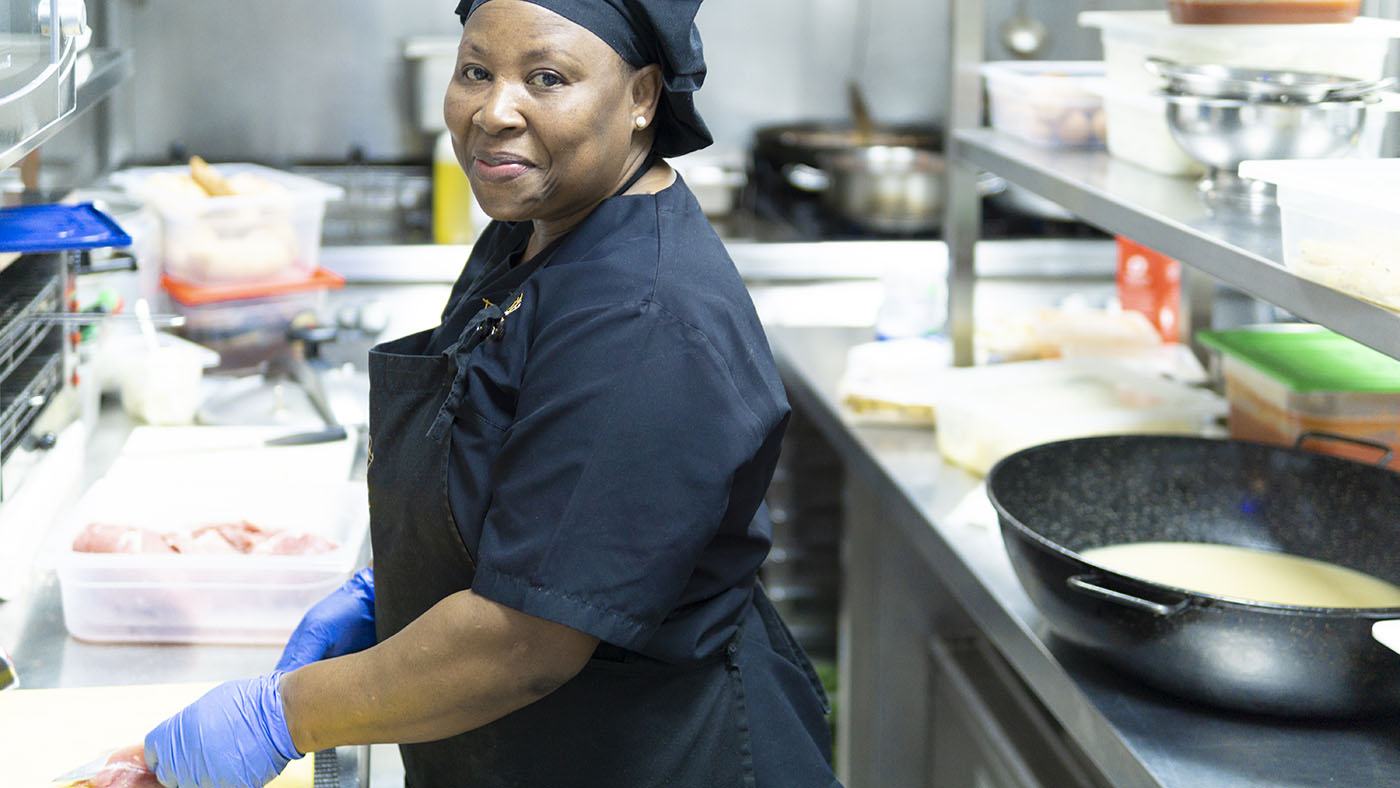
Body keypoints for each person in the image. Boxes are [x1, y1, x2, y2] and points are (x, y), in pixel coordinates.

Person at [142, 1, 840, 785]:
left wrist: (284, 716)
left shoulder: (644, 318)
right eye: (475, 70)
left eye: (546, 78)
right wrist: (403, 585)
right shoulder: (537, 226)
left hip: (648, 755)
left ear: (643, 97)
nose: (493, 112)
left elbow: (525, 642)